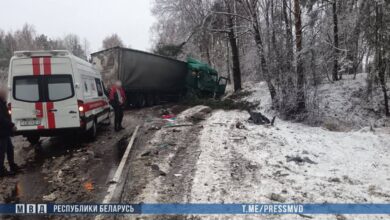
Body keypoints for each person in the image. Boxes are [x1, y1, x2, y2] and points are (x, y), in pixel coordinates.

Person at [0, 86, 19, 177]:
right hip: (1, 133)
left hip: (5, 132)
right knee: (1, 151)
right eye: (4, 93)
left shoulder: (2, 103)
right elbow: (1, 119)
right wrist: (11, 125)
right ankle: (1, 170)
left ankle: (12, 165)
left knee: (10, 149)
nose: (6, 95)